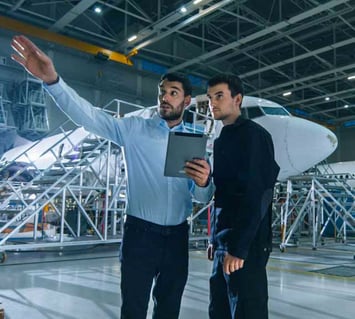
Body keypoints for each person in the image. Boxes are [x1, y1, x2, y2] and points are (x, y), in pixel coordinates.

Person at [10, 35, 214, 319]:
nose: (165, 98)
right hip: (141, 235)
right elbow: (89, 117)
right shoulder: (134, 129)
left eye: (173, 93)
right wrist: (53, 82)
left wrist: (205, 182)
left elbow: (200, 194)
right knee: (133, 308)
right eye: (162, 92)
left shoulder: (195, 140)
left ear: (187, 101)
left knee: (169, 308)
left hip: (178, 237)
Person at [206, 74, 280, 319]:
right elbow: (223, 196)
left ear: (237, 99)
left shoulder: (254, 136)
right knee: (219, 310)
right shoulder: (222, 140)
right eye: (209, 98)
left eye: (219, 96)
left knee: (247, 310)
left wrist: (238, 248)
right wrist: (215, 240)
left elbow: (258, 194)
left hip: (245, 247)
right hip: (223, 244)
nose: (212, 103)